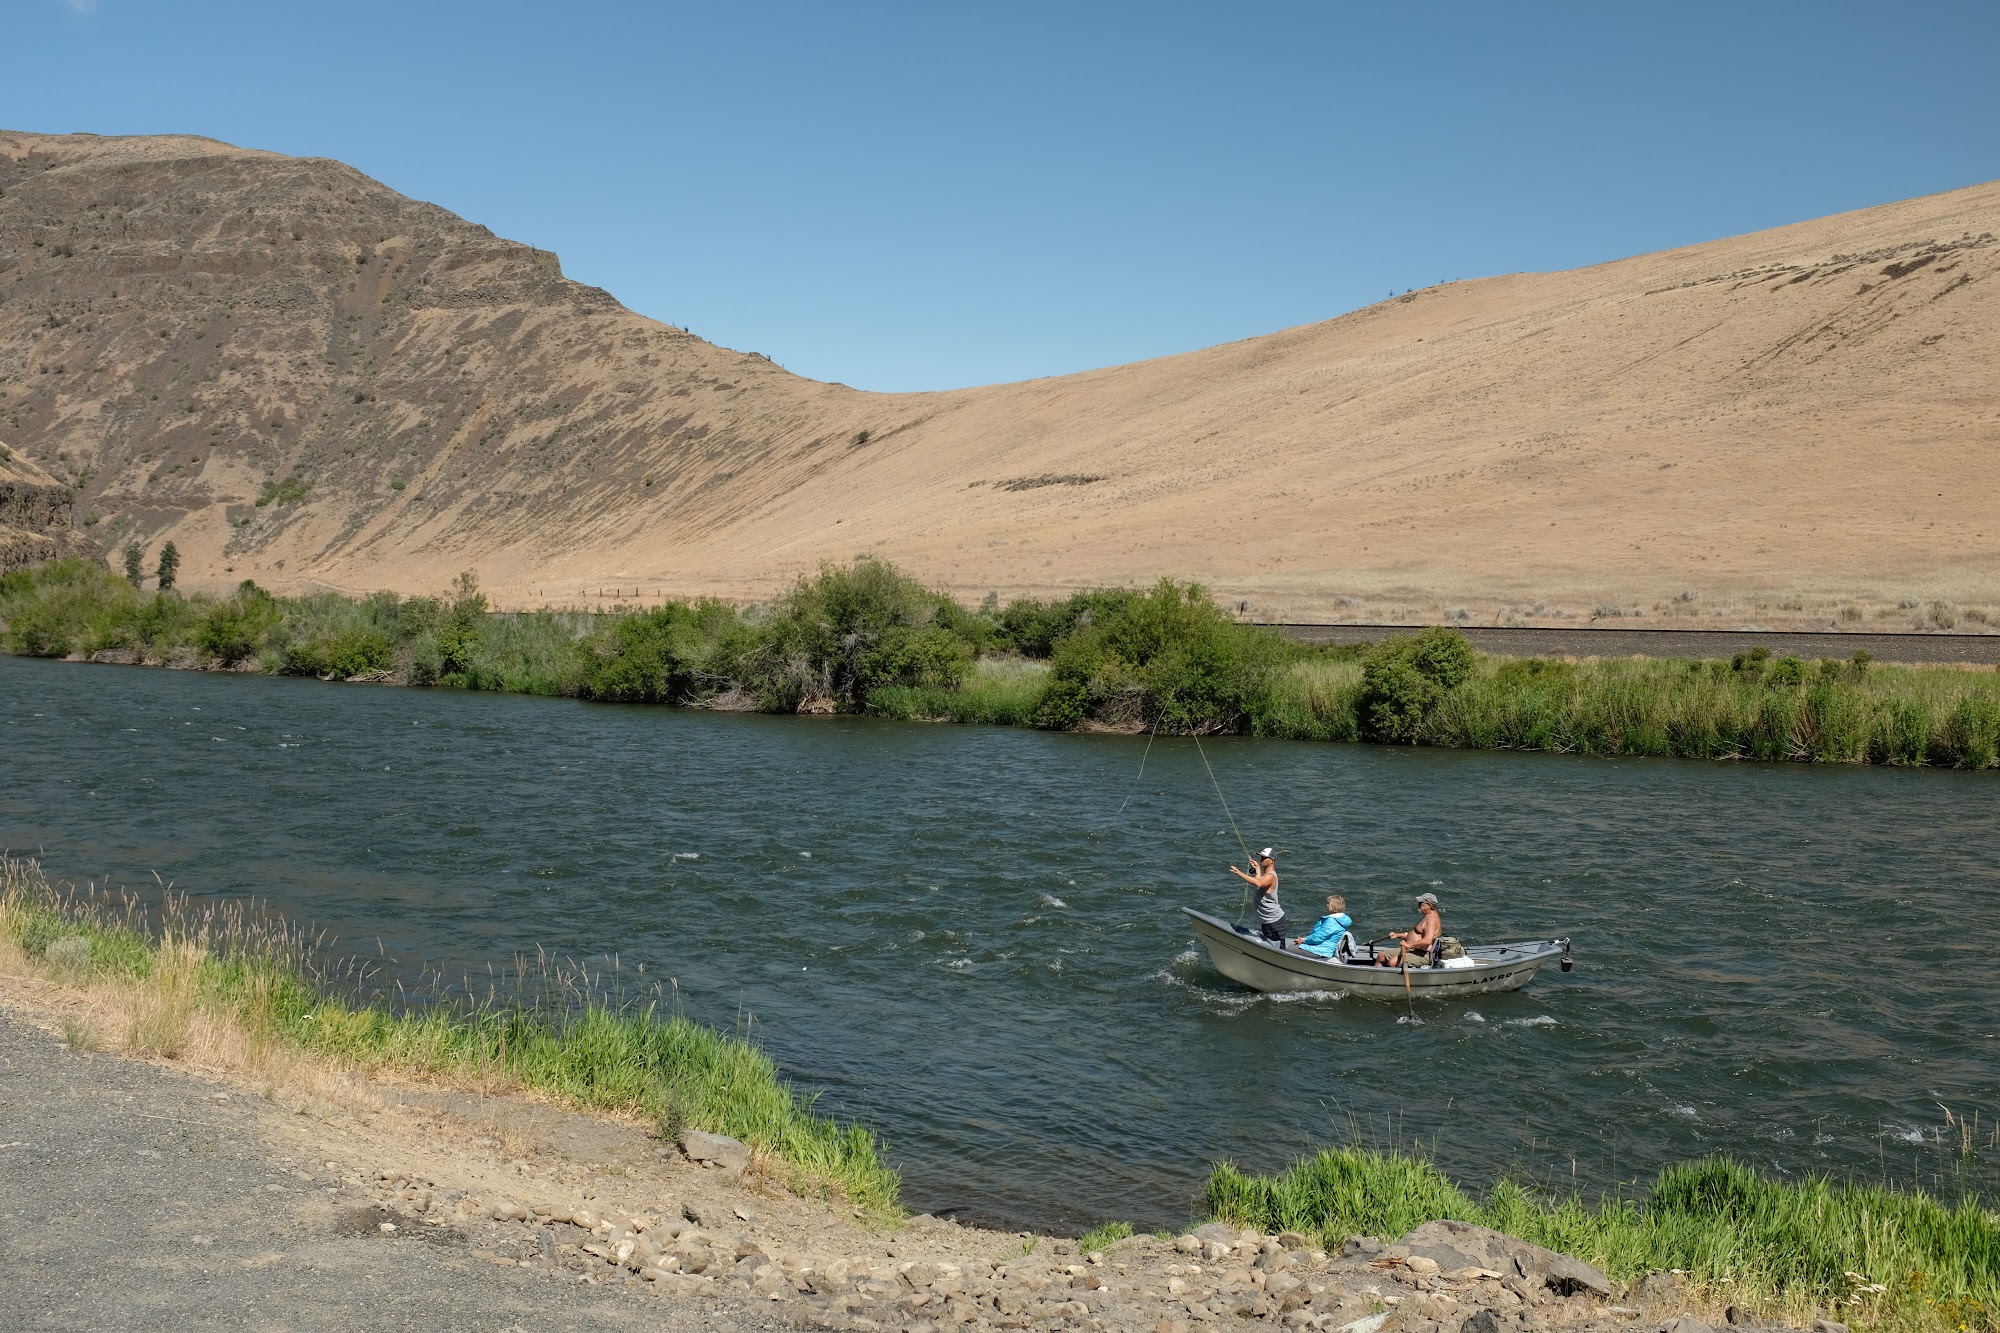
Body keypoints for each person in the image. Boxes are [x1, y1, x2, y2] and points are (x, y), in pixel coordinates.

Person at [1228, 847, 1285, 944]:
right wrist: (1257, 869)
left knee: (1278, 947)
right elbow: (1260, 881)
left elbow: (1258, 883)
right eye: (1261, 857)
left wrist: (1239, 873)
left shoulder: (1271, 876)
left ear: (1272, 860)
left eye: (1264, 858)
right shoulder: (1265, 876)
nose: (1261, 860)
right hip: (1267, 921)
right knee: (1271, 945)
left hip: (1273, 921)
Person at [1376, 891, 1442, 967]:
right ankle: (1377, 974)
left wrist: (1408, 945)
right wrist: (1397, 935)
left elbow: (1427, 940)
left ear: (1429, 905)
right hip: (1414, 948)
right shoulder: (1428, 917)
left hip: (1423, 954)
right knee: (1381, 956)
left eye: (1421, 903)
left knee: (1392, 962)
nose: (1419, 905)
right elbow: (1417, 936)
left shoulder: (1431, 920)